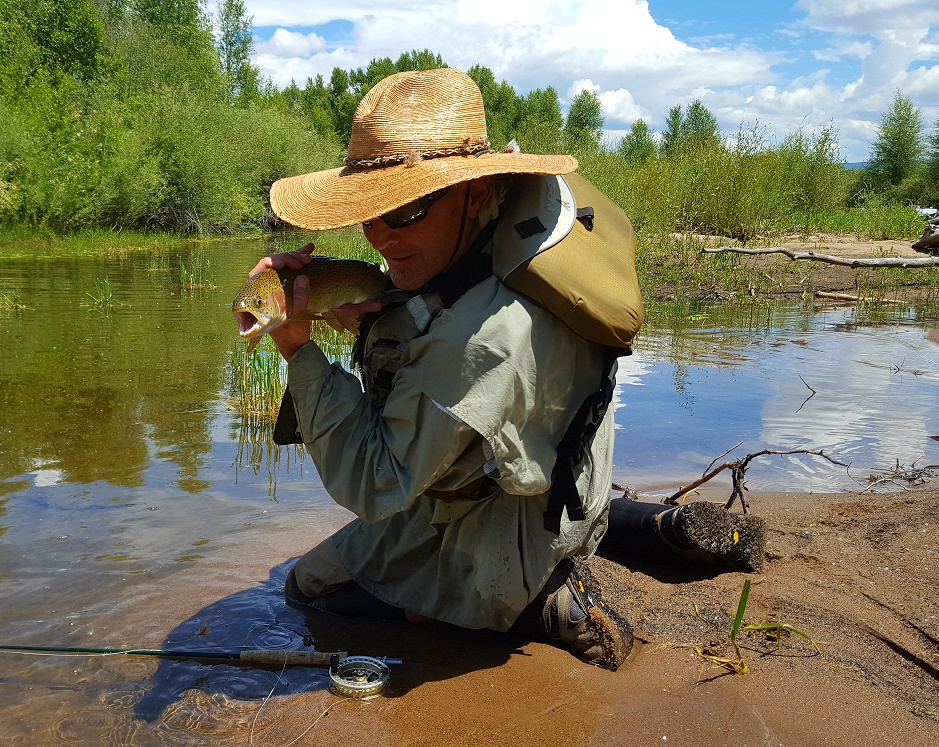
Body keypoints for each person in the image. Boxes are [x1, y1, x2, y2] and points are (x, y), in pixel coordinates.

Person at [247, 68, 760, 671]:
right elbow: (443, 329)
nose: (378, 236)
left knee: (310, 589)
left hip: (518, 524)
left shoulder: (482, 338)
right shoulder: (513, 236)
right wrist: (374, 315)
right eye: (370, 212)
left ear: (470, 190)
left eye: (405, 210)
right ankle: (644, 525)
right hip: (570, 488)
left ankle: (537, 601)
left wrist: (299, 349)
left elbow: (376, 485)